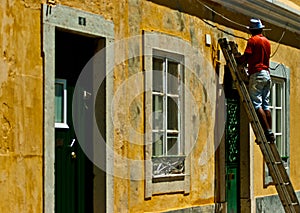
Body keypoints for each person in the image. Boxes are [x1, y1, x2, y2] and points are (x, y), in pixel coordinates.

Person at [236, 18, 275, 143]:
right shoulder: (267, 42)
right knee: (266, 105)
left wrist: (238, 60)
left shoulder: (253, 40)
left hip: (257, 73)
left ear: (252, 30)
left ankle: (266, 132)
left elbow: (247, 56)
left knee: (256, 104)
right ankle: (270, 132)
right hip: (267, 74)